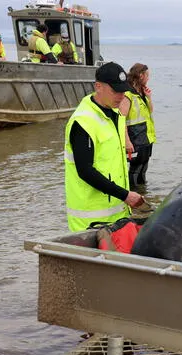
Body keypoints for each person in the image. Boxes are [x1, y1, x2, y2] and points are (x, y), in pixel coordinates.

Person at [64, 62, 144, 232]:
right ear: (98, 86)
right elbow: (85, 171)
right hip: (90, 219)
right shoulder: (83, 121)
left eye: (123, 90)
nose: (121, 95)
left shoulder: (114, 114)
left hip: (117, 213)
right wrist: (126, 195)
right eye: (116, 91)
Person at [118, 63, 156, 189]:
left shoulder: (142, 93)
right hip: (135, 138)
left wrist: (149, 97)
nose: (148, 78)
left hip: (146, 137)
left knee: (144, 167)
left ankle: (144, 193)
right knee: (135, 169)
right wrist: (127, 141)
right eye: (147, 75)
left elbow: (150, 111)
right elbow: (121, 119)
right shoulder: (128, 95)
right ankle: (133, 196)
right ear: (140, 75)